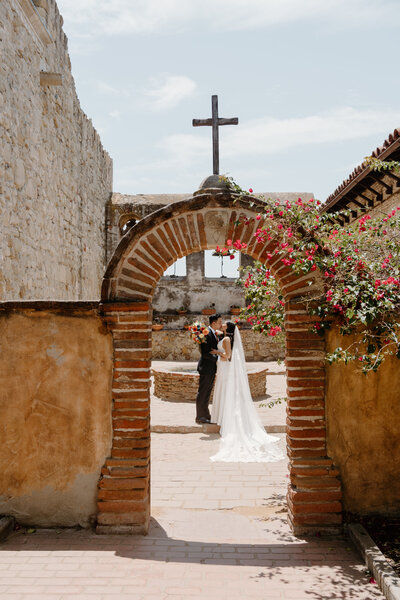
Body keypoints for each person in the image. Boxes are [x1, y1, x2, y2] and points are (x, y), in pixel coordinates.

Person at [210, 322, 284, 463]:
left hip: (225, 368)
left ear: (228, 328)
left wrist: (217, 353)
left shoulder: (226, 340)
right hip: (224, 369)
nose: (222, 324)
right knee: (227, 394)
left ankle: (226, 421)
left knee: (226, 394)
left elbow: (228, 355)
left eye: (224, 324)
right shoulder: (226, 338)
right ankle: (225, 419)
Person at [195, 314, 222, 424]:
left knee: (207, 393)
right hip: (206, 368)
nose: (221, 324)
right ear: (213, 323)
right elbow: (205, 353)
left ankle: (205, 414)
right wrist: (218, 358)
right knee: (203, 392)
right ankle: (200, 416)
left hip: (211, 368)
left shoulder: (214, 333)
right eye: (220, 322)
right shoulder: (206, 333)